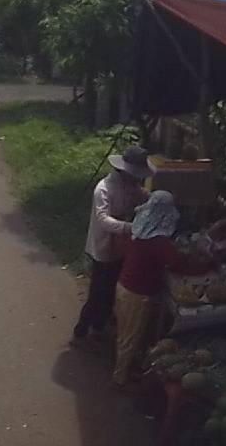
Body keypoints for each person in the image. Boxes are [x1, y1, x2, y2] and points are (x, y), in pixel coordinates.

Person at [111, 191, 216, 387]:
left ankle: (126, 368)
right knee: (130, 338)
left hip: (124, 287)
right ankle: (120, 379)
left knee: (125, 334)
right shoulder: (158, 240)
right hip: (138, 294)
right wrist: (205, 264)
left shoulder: (139, 227)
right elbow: (176, 263)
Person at [71, 145, 152, 349]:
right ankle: (81, 332)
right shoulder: (103, 189)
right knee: (97, 293)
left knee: (110, 291)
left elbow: (141, 195)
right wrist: (129, 227)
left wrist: (155, 200)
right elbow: (102, 220)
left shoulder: (130, 186)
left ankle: (99, 328)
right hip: (103, 246)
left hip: (120, 246)